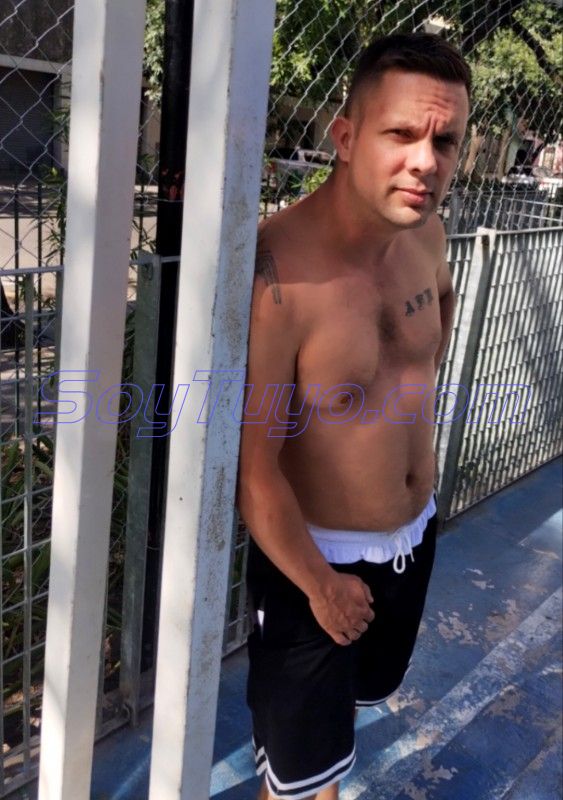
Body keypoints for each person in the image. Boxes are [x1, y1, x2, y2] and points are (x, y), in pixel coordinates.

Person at [237, 32, 471, 800]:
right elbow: (254, 471)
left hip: (412, 540)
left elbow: (428, 341)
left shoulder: (426, 236)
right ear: (344, 137)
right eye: (400, 134)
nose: (425, 161)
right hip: (313, 563)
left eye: (444, 140)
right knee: (299, 781)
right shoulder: (280, 273)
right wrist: (320, 585)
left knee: (343, 730)